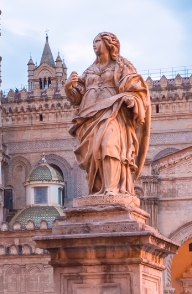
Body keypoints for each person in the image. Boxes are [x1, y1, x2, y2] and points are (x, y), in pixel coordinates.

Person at [64, 32, 151, 196]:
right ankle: (99, 189)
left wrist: (132, 99)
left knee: (109, 144)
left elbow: (137, 88)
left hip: (113, 113)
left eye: (97, 41)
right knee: (93, 155)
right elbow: (77, 98)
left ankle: (112, 188)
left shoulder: (122, 65)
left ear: (109, 44)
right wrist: (68, 88)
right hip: (89, 118)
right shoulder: (89, 71)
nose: (94, 44)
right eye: (93, 42)